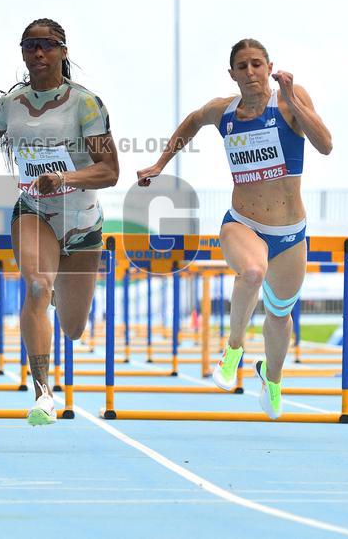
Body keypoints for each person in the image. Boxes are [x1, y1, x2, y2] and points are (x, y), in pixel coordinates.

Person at [0, 18, 119, 426]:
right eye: (29, 46)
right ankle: (44, 392)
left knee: (74, 328)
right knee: (35, 285)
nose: (38, 53)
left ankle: (50, 294)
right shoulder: (12, 104)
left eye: (47, 45)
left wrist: (64, 177)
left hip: (83, 223)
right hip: (35, 211)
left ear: (63, 51)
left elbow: (109, 171)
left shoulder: (86, 104)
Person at [137, 39, 332, 419]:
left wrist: (293, 97)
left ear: (269, 66)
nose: (250, 72)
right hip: (242, 224)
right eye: (242, 67)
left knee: (280, 315)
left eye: (257, 64)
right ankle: (234, 348)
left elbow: (324, 145)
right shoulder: (222, 112)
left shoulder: (289, 100)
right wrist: (161, 164)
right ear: (232, 74)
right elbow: (192, 121)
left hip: (291, 233)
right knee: (253, 272)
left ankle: (271, 378)